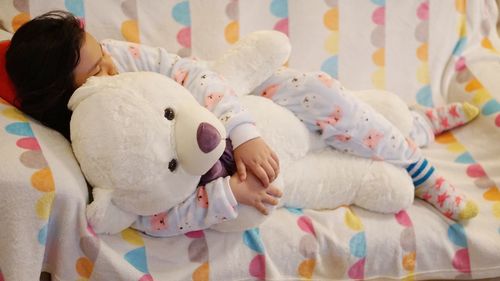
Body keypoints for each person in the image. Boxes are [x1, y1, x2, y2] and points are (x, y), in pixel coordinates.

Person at [5, 11, 478, 236]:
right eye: (97, 71)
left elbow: (192, 72)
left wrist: (243, 132)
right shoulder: (96, 139)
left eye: (104, 56)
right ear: (64, 96)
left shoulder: (121, 58)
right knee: (329, 142)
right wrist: (227, 196)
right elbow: (151, 209)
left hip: (234, 95)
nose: (113, 68)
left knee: (324, 95)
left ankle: (417, 150)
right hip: (222, 159)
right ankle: (411, 141)